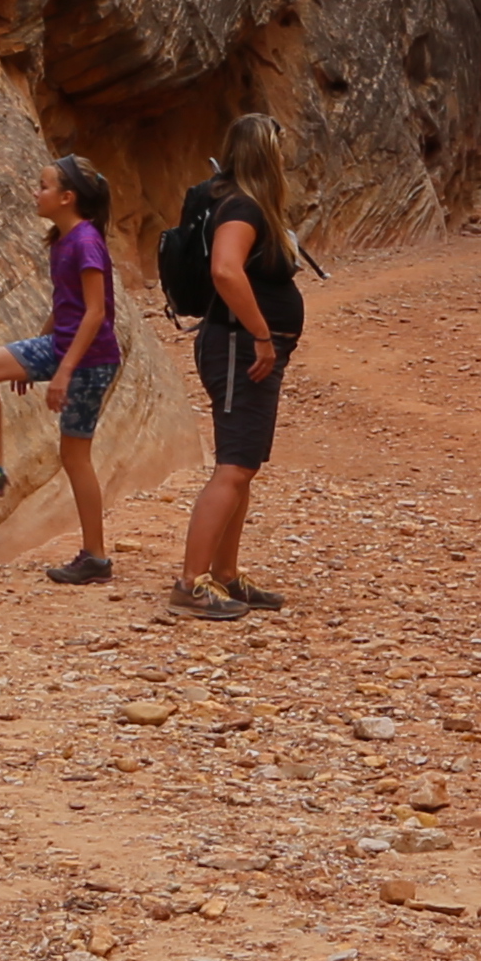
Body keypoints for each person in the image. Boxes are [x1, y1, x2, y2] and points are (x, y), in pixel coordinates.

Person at [0, 155, 123, 581]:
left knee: (75, 456)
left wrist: (60, 372)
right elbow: (68, 306)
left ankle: (94, 556)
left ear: (67, 197)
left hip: (88, 360)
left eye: (43, 187)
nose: (35, 193)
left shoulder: (85, 243)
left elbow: (95, 313)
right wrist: (34, 356)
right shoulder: (63, 239)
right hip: (67, 348)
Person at [169, 113, 306, 624]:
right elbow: (225, 270)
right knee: (232, 466)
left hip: (245, 349)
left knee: (243, 464)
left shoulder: (242, 204)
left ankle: (225, 574)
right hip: (238, 348)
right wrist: (262, 334)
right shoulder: (243, 207)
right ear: (266, 154)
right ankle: (190, 583)